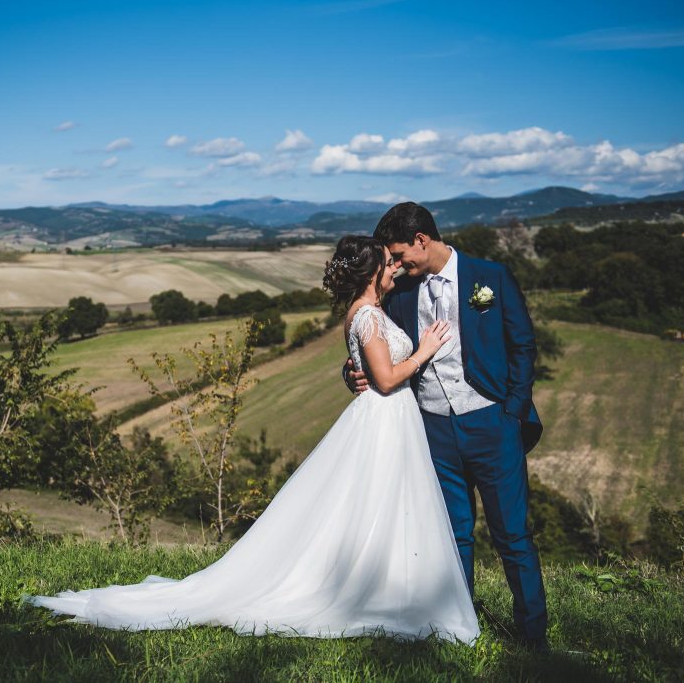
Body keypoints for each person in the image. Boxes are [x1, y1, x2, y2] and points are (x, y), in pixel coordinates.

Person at [24, 235, 480, 644]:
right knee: (374, 503)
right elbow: (384, 379)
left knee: (382, 505)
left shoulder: (369, 315)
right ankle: (368, 590)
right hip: (384, 417)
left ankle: (389, 585)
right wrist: (423, 351)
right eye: (388, 263)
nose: (395, 268)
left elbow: (366, 369)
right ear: (372, 273)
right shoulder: (367, 319)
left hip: (391, 421)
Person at [344, 202, 548, 651]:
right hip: (431, 430)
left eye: (399, 256)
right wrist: (351, 373)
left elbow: (523, 345)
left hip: (493, 424)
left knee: (512, 534)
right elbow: (372, 345)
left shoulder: (490, 277)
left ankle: (534, 638)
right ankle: (460, 629)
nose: (395, 267)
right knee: (452, 533)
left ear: (422, 240)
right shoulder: (399, 294)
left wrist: (511, 411)